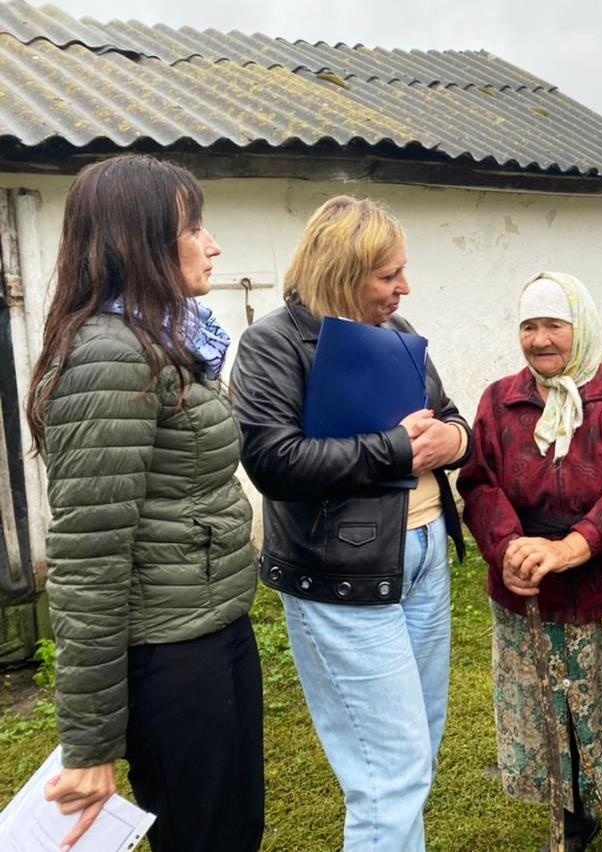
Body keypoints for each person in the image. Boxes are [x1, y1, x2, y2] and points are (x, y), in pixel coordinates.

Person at [29, 154, 262, 851]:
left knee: (233, 830)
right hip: (170, 659)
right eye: (194, 227)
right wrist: (91, 744)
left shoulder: (175, 341)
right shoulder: (111, 355)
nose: (213, 244)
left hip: (214, 626)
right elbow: (89, 561)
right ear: (142, 243)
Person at [230, 196, 471, 849]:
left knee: (413, 757)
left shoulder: (399, 334)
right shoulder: (273, 343)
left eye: (403, 271)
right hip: (340, 577)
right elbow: (272, 461)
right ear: (341, 269)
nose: (404, 286)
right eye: (388, 275)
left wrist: (455, 442)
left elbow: (450, 418)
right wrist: (395, 448)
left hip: (420, 561)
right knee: (386, 775)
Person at [457, 272, 602, 852]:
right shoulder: (500, 402)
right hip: (531, 591)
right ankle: (574, 812)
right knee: (550, 709)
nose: (539, 340)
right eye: (528, 327)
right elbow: (480, 484)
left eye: (553, 325)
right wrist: (508, 548)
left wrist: (574, 544)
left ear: (579, 328)